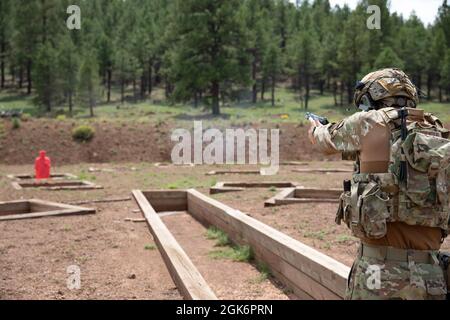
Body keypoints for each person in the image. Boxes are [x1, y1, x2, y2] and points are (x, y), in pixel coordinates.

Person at [308, 68, 449, 300]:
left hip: (378, 272)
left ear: (372, 97)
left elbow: (323, 140)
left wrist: (315, 127)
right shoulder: (437, 131)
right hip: (432, 274)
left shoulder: (370, 122)